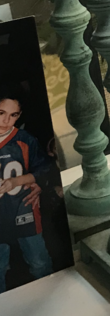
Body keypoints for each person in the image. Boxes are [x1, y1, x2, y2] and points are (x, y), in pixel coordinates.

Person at [0, 85, 54, 292]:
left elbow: (44, 169)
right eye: (1, 113)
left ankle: (50, 296)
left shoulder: (25, 140)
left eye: (13, 115)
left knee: (39, 262)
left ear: (19, 115)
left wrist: (21, 181)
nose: (6, 121)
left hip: (24, 209)